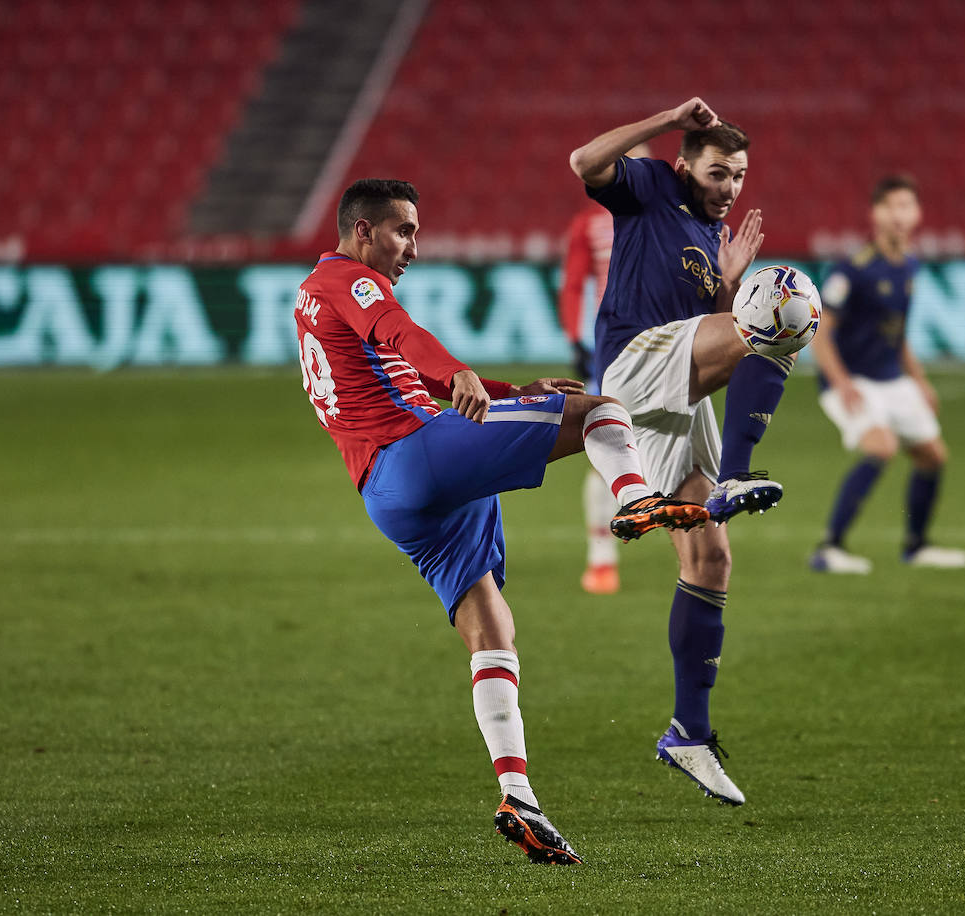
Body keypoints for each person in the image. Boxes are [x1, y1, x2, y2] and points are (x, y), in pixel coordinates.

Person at [295, 178, 710, 865]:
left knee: (492, 629)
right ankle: (636, 500)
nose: (412, 249)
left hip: (389, 492)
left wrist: (516, 392)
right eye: (402, 231)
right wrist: (458, 371)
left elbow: (403, 367)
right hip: (418, 450)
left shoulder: (319, 299)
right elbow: (400, 332)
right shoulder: (346, 280)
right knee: (603, 411)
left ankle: (518, 795)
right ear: (361, 230)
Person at [570, 98, 809, 806]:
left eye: (738, 175)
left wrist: (732, 281)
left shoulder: (716, 234)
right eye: (716, 171)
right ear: (684, 165)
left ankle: (689, 734)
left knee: (710, 558)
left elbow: (717, 337)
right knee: (788, 305)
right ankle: (737, 473)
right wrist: (669, 115)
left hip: (676, 395)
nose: (729, 186)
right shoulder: (650, 187)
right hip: (634, 365)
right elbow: (584, 162)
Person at [809, 174, 965, 574]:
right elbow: (820, 334)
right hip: (852, 381)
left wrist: (919, 379)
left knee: (933, 456)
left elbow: (897, 335)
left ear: (917, 214)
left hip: (892, 378)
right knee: (880, 447)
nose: (899, 214)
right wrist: (843, 383)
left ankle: (916, 546)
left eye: (906, 206)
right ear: (875, 214)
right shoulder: (853, 270)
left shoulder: (910, 266)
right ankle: (829, 548)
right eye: (891, 206)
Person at [556, 144, 651, 596]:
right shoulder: (591, 224)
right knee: (609, 448)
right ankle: (601, 560)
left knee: (666, 450)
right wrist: (575, 339)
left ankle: (696, 553)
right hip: (615, 352)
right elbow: (574, 284)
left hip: (670, 351)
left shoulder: (670, 219)